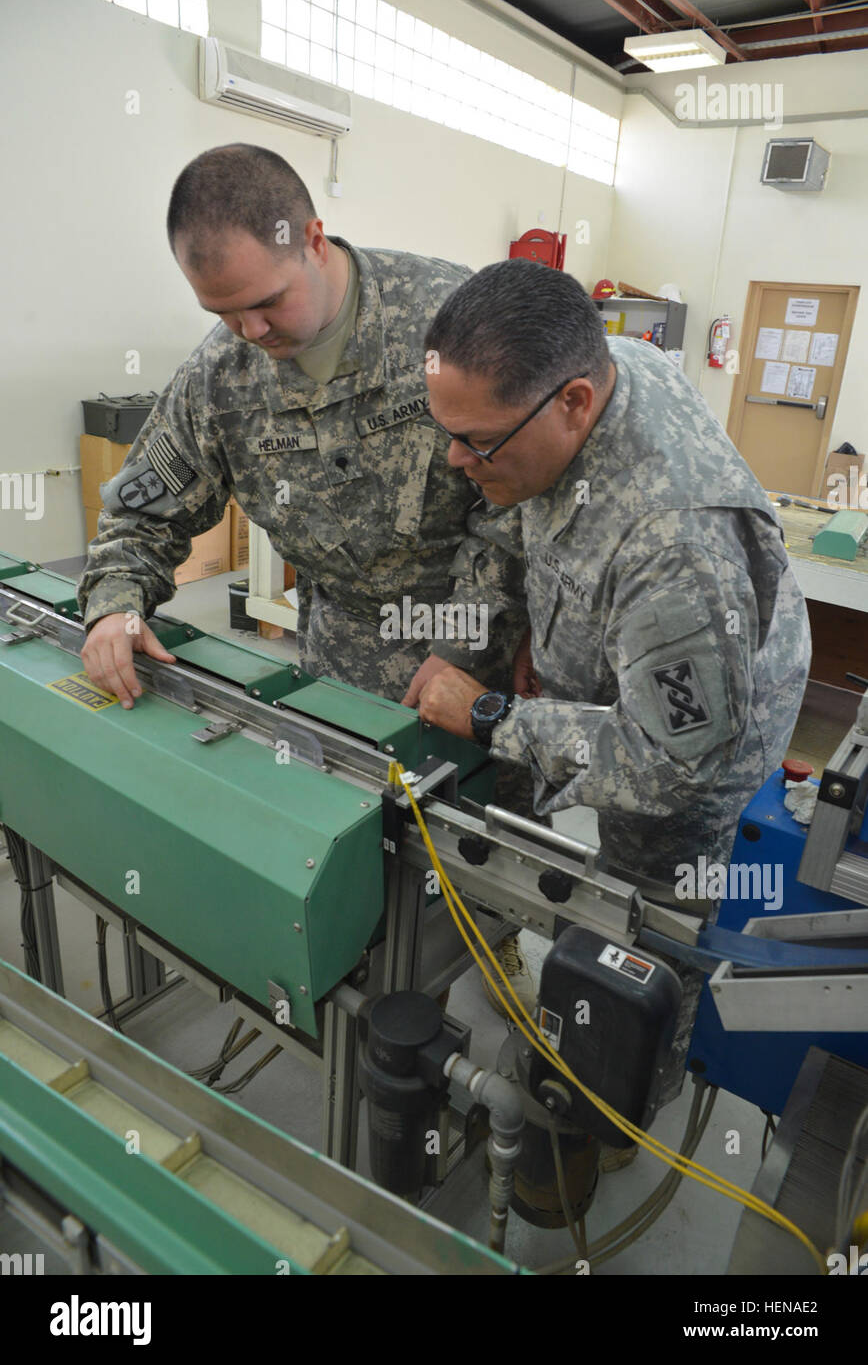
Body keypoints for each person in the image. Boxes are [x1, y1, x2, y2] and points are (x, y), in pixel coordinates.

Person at [76, 143, 533, 1010]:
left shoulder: (449, 322)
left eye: (264, 303)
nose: (250, 333)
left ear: (314, 239)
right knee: (356, 888)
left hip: (478, 661)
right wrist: (114, 605)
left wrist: (481, 646)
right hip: (340, 670)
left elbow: (525, 506)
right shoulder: (221, 372)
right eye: (224, 312)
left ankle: (499, 1027)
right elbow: (143, 506)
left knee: (477, 894)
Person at [405, 258, 812, 1121]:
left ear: (575, 404)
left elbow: (672, 764)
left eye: (476, 442)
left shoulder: (677, 545)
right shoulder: (598, 369)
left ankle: (625, 1096)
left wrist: (491, 718)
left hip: (706, 733)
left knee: (651, 917)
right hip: (649, 657)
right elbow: (552, 522)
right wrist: (536, 633)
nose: (455, 460)